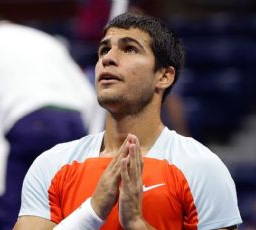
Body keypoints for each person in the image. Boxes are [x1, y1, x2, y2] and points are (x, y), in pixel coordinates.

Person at [14, 13, 242, 229]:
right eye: (104, 50)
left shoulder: (201, 167)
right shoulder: (53, 164)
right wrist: (93, 211)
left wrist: (136, 223)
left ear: (163, 76)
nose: (108, 59)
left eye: (129, 49)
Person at [0, 16, 99, 229]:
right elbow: (89, 96)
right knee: (71, 214)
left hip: (31, 125)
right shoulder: (47, 40)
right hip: (75, 123)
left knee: (19, 215)